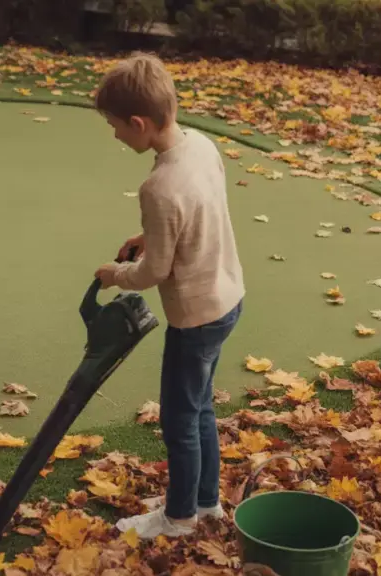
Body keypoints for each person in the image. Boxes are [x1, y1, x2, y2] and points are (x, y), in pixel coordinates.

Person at [92, 53, 246, 540]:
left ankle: (178, 518)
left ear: (139, 123)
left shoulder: (157, 186)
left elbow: (156, 271)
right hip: (228, 297)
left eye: (116, 127)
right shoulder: (200, 144)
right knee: (200, 406)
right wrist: (149, 235)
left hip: (195, 317)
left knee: (180, 416)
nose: (115, 136)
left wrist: (117, 273)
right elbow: (195, 214)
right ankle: (206, 502)